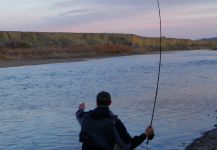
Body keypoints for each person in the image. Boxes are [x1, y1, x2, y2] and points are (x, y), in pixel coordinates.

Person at [76, 91, 154, 150]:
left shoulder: (85, 117)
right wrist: (146, 134)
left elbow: (78, 114)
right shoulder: (115, 123)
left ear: (96, 102)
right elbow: (128, 146)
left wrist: (81, 109)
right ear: (110, 103)